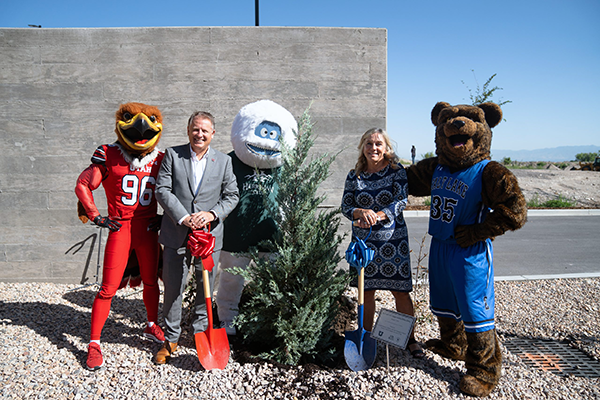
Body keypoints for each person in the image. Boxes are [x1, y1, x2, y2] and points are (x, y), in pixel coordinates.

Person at [75, 102, 166, 371]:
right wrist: (96, 216)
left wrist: (169, 218)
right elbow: (83, 184)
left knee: (151, 282)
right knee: (107, 289)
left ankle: (151, 324)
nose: (140, 126)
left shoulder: (162, 158)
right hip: (121, 228)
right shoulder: (109, 154)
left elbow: (177, 191)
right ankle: (94, 342)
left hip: (148, 228)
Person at [154, 111, 239, 364]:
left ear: (213, 134)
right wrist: (183, 217)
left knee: (205, 289)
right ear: (188, 130)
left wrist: (212, 214)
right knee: (173, 287)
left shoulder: (223, 161)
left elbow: (231, 195)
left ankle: (201, 334)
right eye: (195, 129)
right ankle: (170, 339)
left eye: (205, 130)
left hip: (208, 238)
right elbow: (162, 189)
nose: (199, 134)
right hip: (176, 234)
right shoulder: (172, 155)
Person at [341, 128, 423, 358]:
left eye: (378, 144)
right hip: (363, 245)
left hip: (392, 244)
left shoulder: (397, 172)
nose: (373, 148)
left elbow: (400, 202)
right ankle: (366, 337)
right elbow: (345, 207)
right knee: (365, 291)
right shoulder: (353, 176)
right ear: (362, 147)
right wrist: (359, 211)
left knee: (401, 291)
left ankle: (411, 339)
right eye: (369, 143)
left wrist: (377, 215)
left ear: (386, 148)